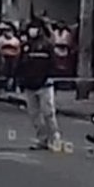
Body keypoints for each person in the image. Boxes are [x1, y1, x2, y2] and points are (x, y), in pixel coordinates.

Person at [16, 20, 61, 150]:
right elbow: (20, 65)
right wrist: (20, 81)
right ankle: (42, 139)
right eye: (30, 28)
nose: (32, 31)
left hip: (45, 85)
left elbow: (53, 65)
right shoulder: (26, 47)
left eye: (34, 28)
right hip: (30, 86)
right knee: (34, 114)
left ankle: (54, 138)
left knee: (48, 113)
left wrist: (49, 77)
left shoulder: (47, 45)